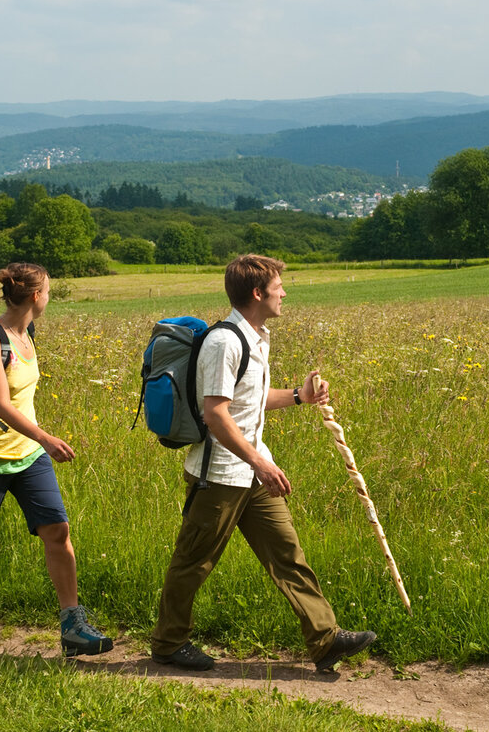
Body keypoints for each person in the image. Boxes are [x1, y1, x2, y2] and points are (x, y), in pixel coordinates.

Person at [150, 254, 376, 673]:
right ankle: (168, 643)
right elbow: (215, 414)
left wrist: (298, 396)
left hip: (252, 473)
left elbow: (247, 400)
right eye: (278, 287)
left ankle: (325, 640)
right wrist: (259, 462)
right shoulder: (224, 342)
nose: (284, 293)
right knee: (193, 563)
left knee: (288, 554)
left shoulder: (256, 336)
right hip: (218, 477)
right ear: (257, 293)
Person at [0, 262, 112, 657]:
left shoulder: (26, 334)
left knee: (57, 531)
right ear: (36, 296)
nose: (49, 297)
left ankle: (72, 624)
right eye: (48, 291)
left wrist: (37, 443)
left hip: (27, 455)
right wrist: (47, 438)